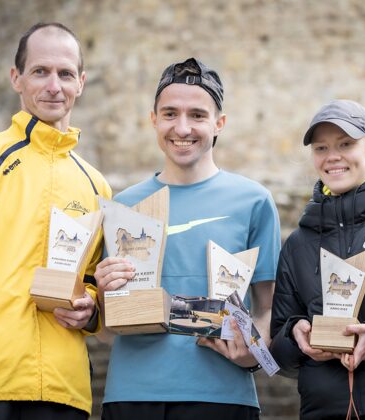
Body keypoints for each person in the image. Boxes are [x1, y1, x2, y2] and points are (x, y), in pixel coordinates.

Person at [95, 57, 281, 420]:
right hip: (131, 395)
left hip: (223, 396)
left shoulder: (254, 201)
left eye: (197, 115)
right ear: (153, 119)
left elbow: (268, 307)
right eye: (170, 114)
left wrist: (252, 353)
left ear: (219, 123)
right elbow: (104, 331)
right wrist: (104, 294)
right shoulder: (124, 205)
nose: (182, 128)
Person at [0, 22, 111, 420]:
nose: (54, 86)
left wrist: (90, 310)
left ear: (80, 83)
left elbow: (94, 282)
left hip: (62, 390)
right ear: (16, 78)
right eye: (40, 71)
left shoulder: (98, 186)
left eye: (65, 74)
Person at [270, 99, 365, 419]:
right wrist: (295, 335)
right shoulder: (298, 243)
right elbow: (278, 355)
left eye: (345, 144)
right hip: (322, 411)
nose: (332, 156)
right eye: (321, 148)